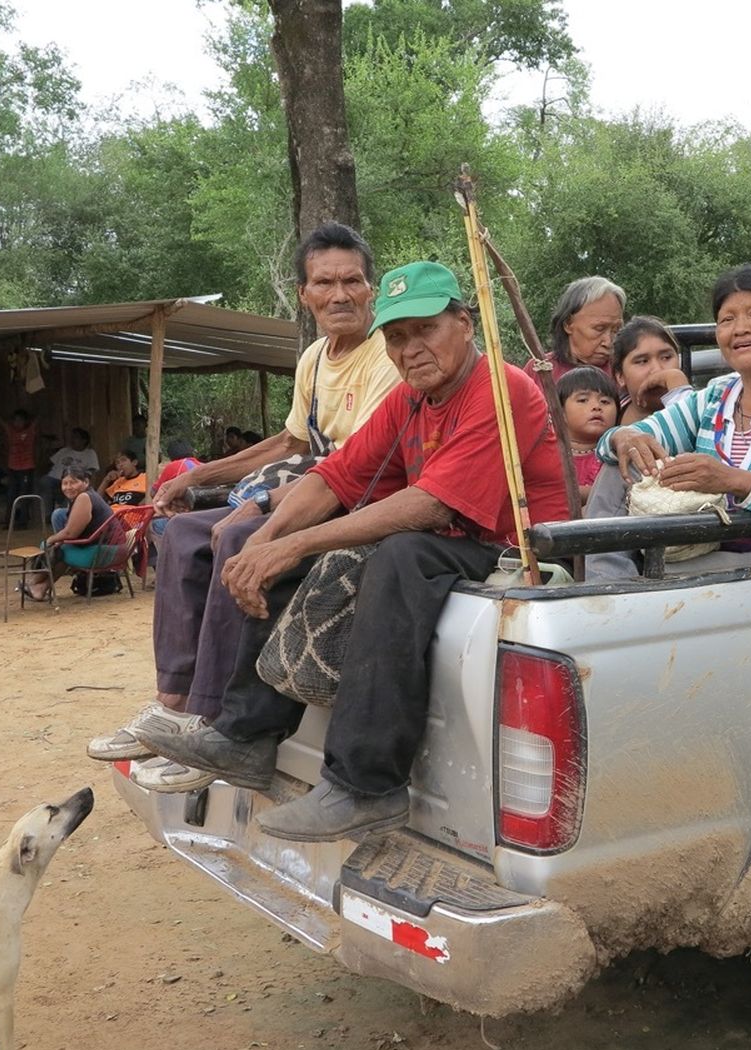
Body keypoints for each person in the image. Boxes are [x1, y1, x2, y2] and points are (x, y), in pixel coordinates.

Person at [139, 260, 571, 841]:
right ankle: (245, 735)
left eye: (426, 330)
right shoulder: (411, 400)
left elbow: (431, 507)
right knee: (286, 546)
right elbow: (333, 478)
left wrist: (293, 543)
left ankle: (367, 786)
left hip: (517, 550)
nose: (410, 349)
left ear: (465, 324)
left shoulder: (501, 386)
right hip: (452, 547)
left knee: (396, 552)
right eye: (396, 337)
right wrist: (265, 542)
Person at [86, 222, 400, 775]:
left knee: (236, 535)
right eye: (324, 283)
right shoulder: (315, 359)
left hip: (358, 494)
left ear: (370, 288)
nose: (340, 294)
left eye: (352, 280)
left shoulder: (384, 356)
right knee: (182, 532)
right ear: (305, 294)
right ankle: (174, 704)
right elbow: (290, 443)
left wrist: (260, 504)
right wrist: (196, 475)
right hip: (309, 485)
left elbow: (353, 466)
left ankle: (215, 723)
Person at [586, 264, 751, 579]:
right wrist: (624, 437)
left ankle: (608, 603)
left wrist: (734, 481)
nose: (740, 328)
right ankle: (603, 587)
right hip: (710, 547)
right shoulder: (716, 396)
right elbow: (617, 443)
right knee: (628, 455)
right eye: (727, 319)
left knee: (662, 576)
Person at [23, 464, 121, 601]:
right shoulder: (84, 496)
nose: (68, 487)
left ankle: (32, 582)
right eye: (65, 483)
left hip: (104, 552)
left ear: (86, 482)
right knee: (59, 547)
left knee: (56, 549)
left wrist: (50, 540)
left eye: (73, 482)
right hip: (109, 548)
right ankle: (39, 588)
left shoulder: (84, 498)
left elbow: (70, 534)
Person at [612, 316, 692, 427]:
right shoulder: (605, 419)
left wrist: (679, 391)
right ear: (620, 376)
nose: (657, 370)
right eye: (642, 361)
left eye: (666, 357)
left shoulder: (706, 411)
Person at [557, 366, 620, 501]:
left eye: (605, 401)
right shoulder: (548, 454)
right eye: (583, 400)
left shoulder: (617, 454)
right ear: (560, 412)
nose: (597, 407)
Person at [548, 276, 626, 380]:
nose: (608, 342)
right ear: (568, 324)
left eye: (616, 330)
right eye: (599, 328)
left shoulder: (625, 373)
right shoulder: (541, 370)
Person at [42, 428, 99, 515]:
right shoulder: (64, 450)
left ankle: (67, 514)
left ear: (84, 440)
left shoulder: (90, 453)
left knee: (71, 486)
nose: (72, 440)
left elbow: (92, 470)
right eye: (72, 437)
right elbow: (48, 463)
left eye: (76, 437)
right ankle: (47, 516)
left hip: (73, 479)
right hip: (54, 478)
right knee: (45, 481)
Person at [3, 409, 39, 529]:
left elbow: (37, 417)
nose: (17, 423)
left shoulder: (30, 431)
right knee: (11, 495)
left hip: (26, 467)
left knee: (24, 495)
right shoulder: (11, 431)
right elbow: (1, 420)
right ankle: (8, 522)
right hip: (13, 467)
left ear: (26, 421)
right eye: (15, 420)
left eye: (20, 420)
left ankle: (23, 522)